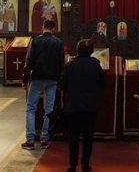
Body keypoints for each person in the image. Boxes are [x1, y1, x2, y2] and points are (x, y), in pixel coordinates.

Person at [60, 38, 107, 172]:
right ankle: (85, 164)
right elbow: (104, 84)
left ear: (78, 50)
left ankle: (72, 164)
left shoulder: (69, 65)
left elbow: (62, 85)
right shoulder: (95, 64)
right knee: (88, 135)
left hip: (73, 105)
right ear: (92, 51)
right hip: (91, 106)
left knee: (73, 136)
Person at [22, 19, 64, 150]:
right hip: (52, 79)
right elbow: (61, 64)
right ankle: (45, 138)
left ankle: (30, 140)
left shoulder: (35, 41)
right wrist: (59, 80)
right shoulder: (58, 42)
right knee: (49, 109)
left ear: (42, 27)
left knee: (31, 109)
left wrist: (24, 79)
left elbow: (29, 61)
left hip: (37, 78)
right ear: (54, 29)